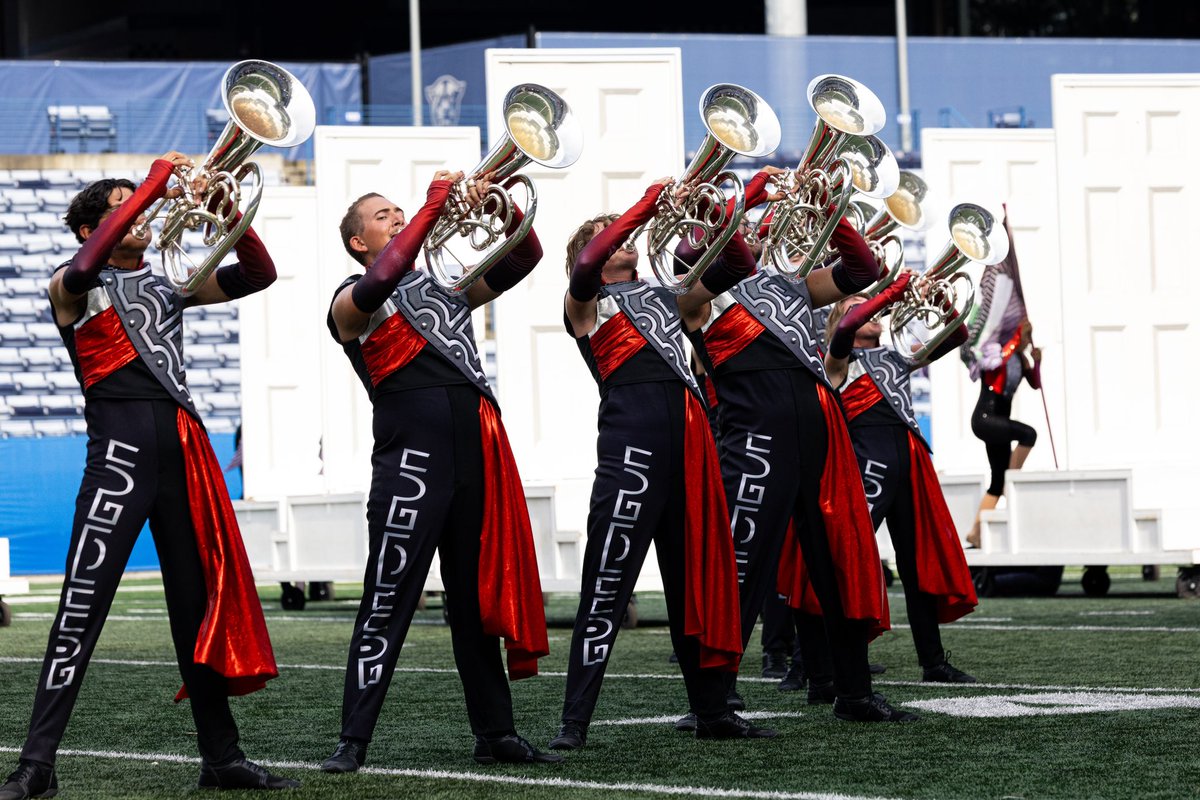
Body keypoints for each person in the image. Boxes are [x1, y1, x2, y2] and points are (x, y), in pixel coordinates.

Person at [0, 152, 298, 800]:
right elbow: (84, 268)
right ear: (89, 228)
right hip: (118, 462)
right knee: (80, 610)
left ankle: (222, 758)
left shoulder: (170, 283)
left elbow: (260, 272)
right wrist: (159, 182)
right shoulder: (70, 281)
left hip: (182, 463)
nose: (136, 212)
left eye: (138, 203)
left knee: (197, 613)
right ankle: (36, 766)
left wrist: (223, 208)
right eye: (118, 206)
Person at [322, 171, 559, 772]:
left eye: (400, 211)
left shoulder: (449, 290)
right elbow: (381, 281)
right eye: (382, 216)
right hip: (412, 464)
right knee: (388, 595)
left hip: (475, 458)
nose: (396, 217)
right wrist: (432, 208)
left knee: (474, 601)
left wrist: (499, 204)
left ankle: (496, 731)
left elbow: (526, 253)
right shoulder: (351, 297)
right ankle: (354, 738)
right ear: (358, 241)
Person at [679, 169, 915, 723]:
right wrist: (750, 193)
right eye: (747, 231)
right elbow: (729, 253)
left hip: (820, 434)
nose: (761, 237)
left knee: (841, 563)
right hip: (756, 438)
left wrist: (829, 204)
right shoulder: (698, 296)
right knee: (743, 567)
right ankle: (713, 701)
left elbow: (864, 270)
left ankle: (853, 693)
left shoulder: (793, 286)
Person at [548, 177, 774, 751]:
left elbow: (737, 261)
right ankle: (574, 721)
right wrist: (642, 207)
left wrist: (720, 208)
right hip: (632, 455)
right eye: (606, 237)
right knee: (606, 585)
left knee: (695, 584)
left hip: (691, 454)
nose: (621, 240)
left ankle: (711, 711)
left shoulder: (665, 296)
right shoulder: (586, 303)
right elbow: (587, 265)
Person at [823, 276, 979, 682]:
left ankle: (933, 662)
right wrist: (887, 294)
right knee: (845, 562)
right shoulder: (836, 360)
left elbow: (957, 333)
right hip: (865, 467)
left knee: (917, 565)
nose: (867, 309)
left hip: (909, 467)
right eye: (856, 304)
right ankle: (815, 662)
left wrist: (941, 300)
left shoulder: (895, 357)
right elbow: (843, 332)